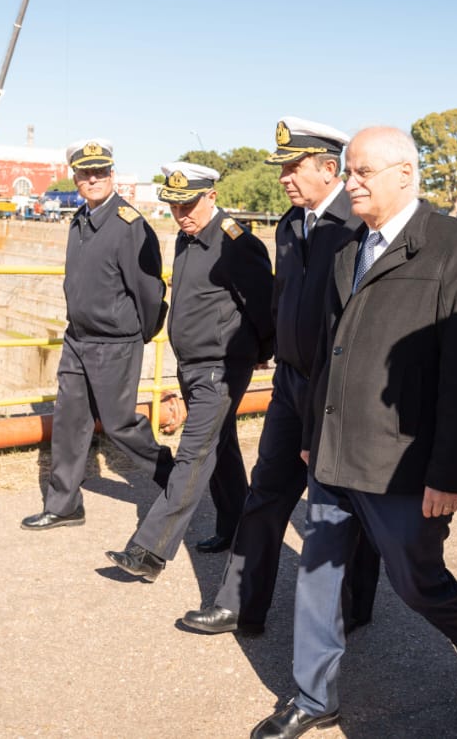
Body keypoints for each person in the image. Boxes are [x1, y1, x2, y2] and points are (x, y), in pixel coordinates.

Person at [252, 126, 457, 739]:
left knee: (417, 583)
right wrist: (313, 432)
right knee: (317, 576)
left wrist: (450, 473)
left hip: (403, 464)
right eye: (349, 170)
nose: (352, 182)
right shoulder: (347, 251)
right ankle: (315, 697)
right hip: (335, 452)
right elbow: (327, 357)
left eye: (364, 172)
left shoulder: (455, 247)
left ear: (405, 175)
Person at [182, 117, 380, 636]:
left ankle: (354, 606)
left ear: (329, 169)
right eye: (284, 169)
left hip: (339, 390)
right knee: (265, 494)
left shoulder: (358, 226)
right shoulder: (290, 224)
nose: (285, 178)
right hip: (292, 385)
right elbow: (280, 298)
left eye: (295, 168)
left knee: (344, 504)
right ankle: (239, 603)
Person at [106, 162, 274, 582]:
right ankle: (236, 527)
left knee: (193, 453)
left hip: (220, 367)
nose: (183, 214)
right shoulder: (187, 238)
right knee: (222, 449)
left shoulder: (236, 242)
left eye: (190, 205)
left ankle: (149, 550)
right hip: (192, 364)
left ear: (212, 197)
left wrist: (262, 352)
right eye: (176, 206)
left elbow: (263, 306)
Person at [21, 139, 172, 531]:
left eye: (100, 172)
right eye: (85, 173)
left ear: (112, 175)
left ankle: (179, 482)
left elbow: (150, 292)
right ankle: (64, 503)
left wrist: (133, 333)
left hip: (114, 343)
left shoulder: (129, 226)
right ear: (75, 178)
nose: (93, 179)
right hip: (78, 340)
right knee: (69, 422)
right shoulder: (79, 220)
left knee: (120, 424)